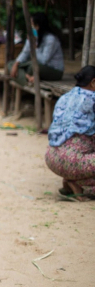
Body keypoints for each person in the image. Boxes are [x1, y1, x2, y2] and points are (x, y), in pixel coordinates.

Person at [45, 66, 95, 201]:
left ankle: (71, 181)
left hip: (51, 156)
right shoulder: (92, 99)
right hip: (71, 160)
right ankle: (78, 184)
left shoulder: (65, 97)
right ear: (93, 82)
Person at [7, 12, 65, 86]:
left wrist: (34, 47)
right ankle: (28, 77)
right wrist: (16, 64)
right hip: (36, 66)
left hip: (54, 71)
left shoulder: (51, 39)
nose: (31, 27)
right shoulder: (33, 36)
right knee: (10, 64)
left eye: (33, 25)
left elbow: (44, 60)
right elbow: (25, 52)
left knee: (32, 67)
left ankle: (23, 79)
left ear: (38, 26)